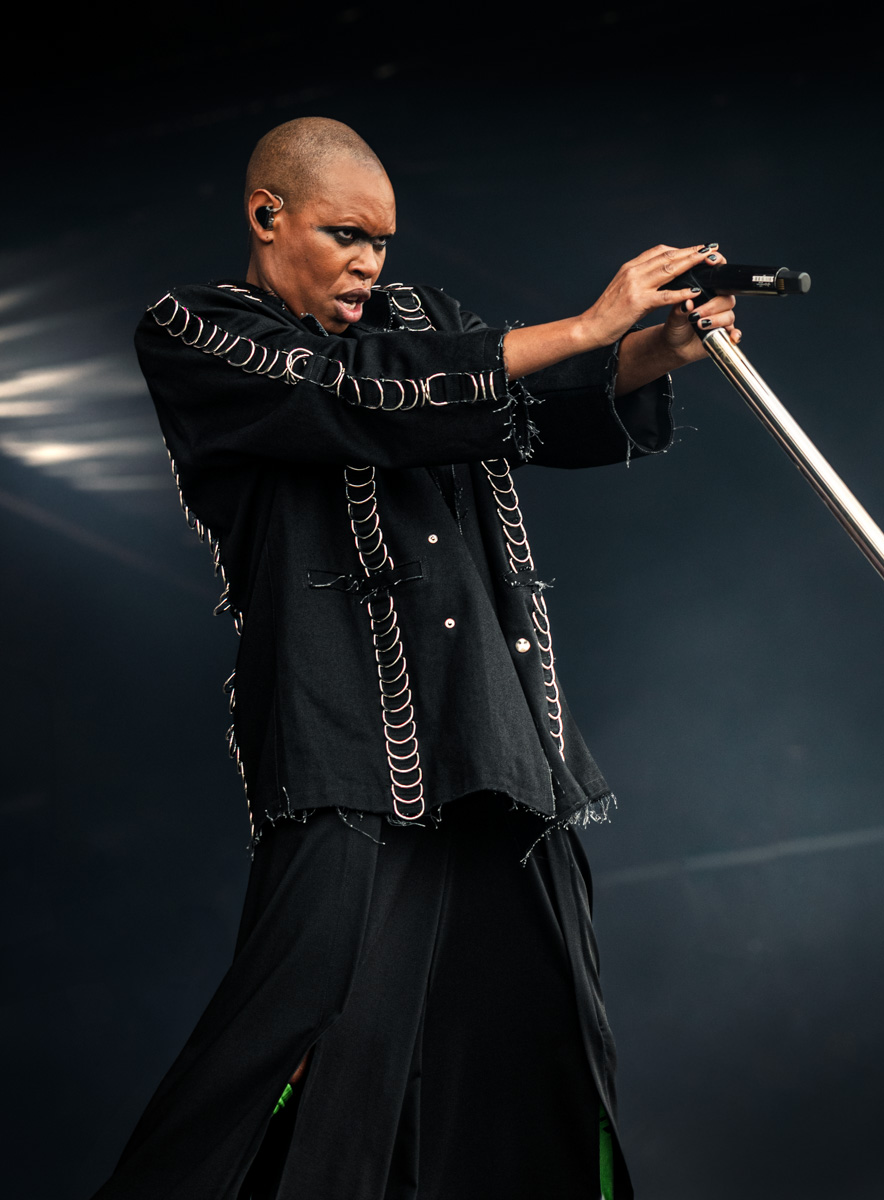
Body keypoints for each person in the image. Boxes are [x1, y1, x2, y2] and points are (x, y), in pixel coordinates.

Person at [92, 116, 739, 1200]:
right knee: (291, 1036)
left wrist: (643, 356)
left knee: (542, 1048)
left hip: (494, 736)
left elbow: (522, 417)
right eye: (345, 235)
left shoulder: (423, 323)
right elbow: (357, 395)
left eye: (382, 242)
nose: (368, 263)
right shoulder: (197, 333)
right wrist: (589, 324)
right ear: (268, 215)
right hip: (345, 743)